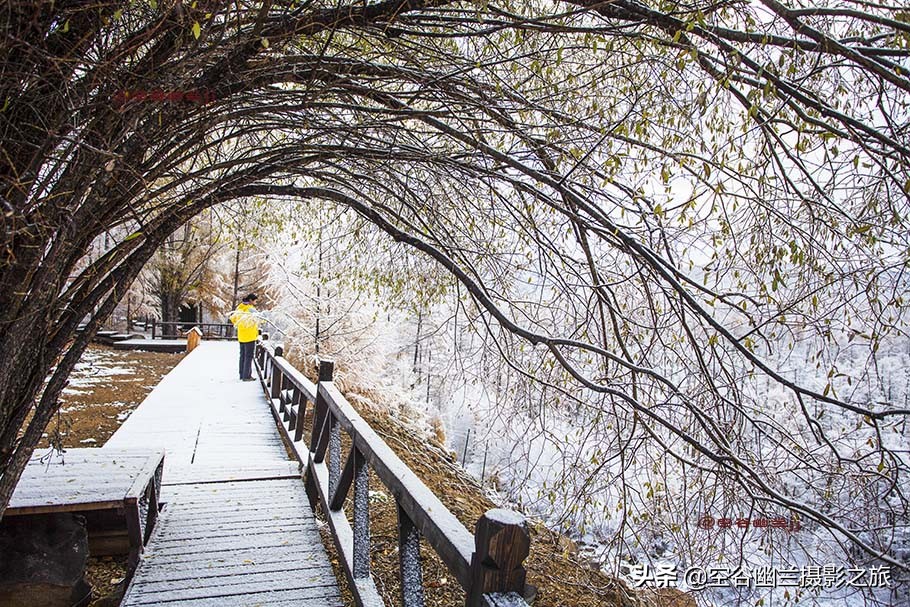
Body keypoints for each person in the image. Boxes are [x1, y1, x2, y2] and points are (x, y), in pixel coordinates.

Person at [229, 293, 260, 381]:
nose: (255, 303)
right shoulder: (251, 309)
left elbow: (233, 319)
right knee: (249, 356)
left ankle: (242, 374)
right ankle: (247, 376)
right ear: (250, 300)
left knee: (242, 356)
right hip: (250, 335)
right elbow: (260, 319)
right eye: (255, 301)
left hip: (241, 335)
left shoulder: (239, 308)